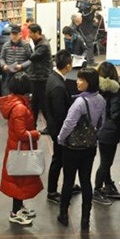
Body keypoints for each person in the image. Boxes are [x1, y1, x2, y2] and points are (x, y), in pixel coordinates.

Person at [56, 68, 106, 230]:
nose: (77, 82)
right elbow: (101, 123)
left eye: (81, 80)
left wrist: (60, 139)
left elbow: (68, 124)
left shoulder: (79, 103)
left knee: (68, 181)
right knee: (86, 181)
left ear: (89, 83)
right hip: (90, 147)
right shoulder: (101, 100)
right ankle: (85, 218)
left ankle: (63, 214)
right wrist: (94, 136)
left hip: (72, 148)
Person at [0, 72, 43, 226]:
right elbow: (21, 133)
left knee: (20, 180)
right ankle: (15, 213)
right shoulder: (19, 108)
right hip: (20, 150)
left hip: (17, 149)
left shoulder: (16, 103)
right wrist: (36, 134)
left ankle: (19, 207)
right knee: (19, 182)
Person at [44, 50, 74, 204]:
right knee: (59, 160)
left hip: (54, 127)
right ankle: (52, 191)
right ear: (68, 66)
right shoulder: (58, 86)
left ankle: (67, 185)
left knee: (62, 159)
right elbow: (60, 114)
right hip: (59, 130)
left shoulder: (53, 78)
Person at [92, 62, 120, 205]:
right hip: (110, 131)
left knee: (105, 160)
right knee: (106, 162)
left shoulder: (95, 88)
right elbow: (116, 113)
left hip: (100, 128)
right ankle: (97, 190)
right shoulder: (116, 90)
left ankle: (108, 184)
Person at [27, 23, 52, 129]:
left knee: (43, 104)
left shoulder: (43, 45)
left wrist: (27, 46)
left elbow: (32, 57)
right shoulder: (39, 42)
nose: (29, 35)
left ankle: (50, 126)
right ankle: (32, 125)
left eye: (31, 33)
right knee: (35, 103)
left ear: (37, 32)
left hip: (41, 77)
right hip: (37, 77)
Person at [0, 24, 32, 96]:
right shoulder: (6, 45)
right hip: (8, 72)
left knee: (21, 93)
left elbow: (31, 59)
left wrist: (21, 66)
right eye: (12, 34)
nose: (13, 36)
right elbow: (1, 58)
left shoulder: (26, 45)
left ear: (20, 34)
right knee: (7, 92)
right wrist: (3, 65)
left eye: (15, 34)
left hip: (21, 73)